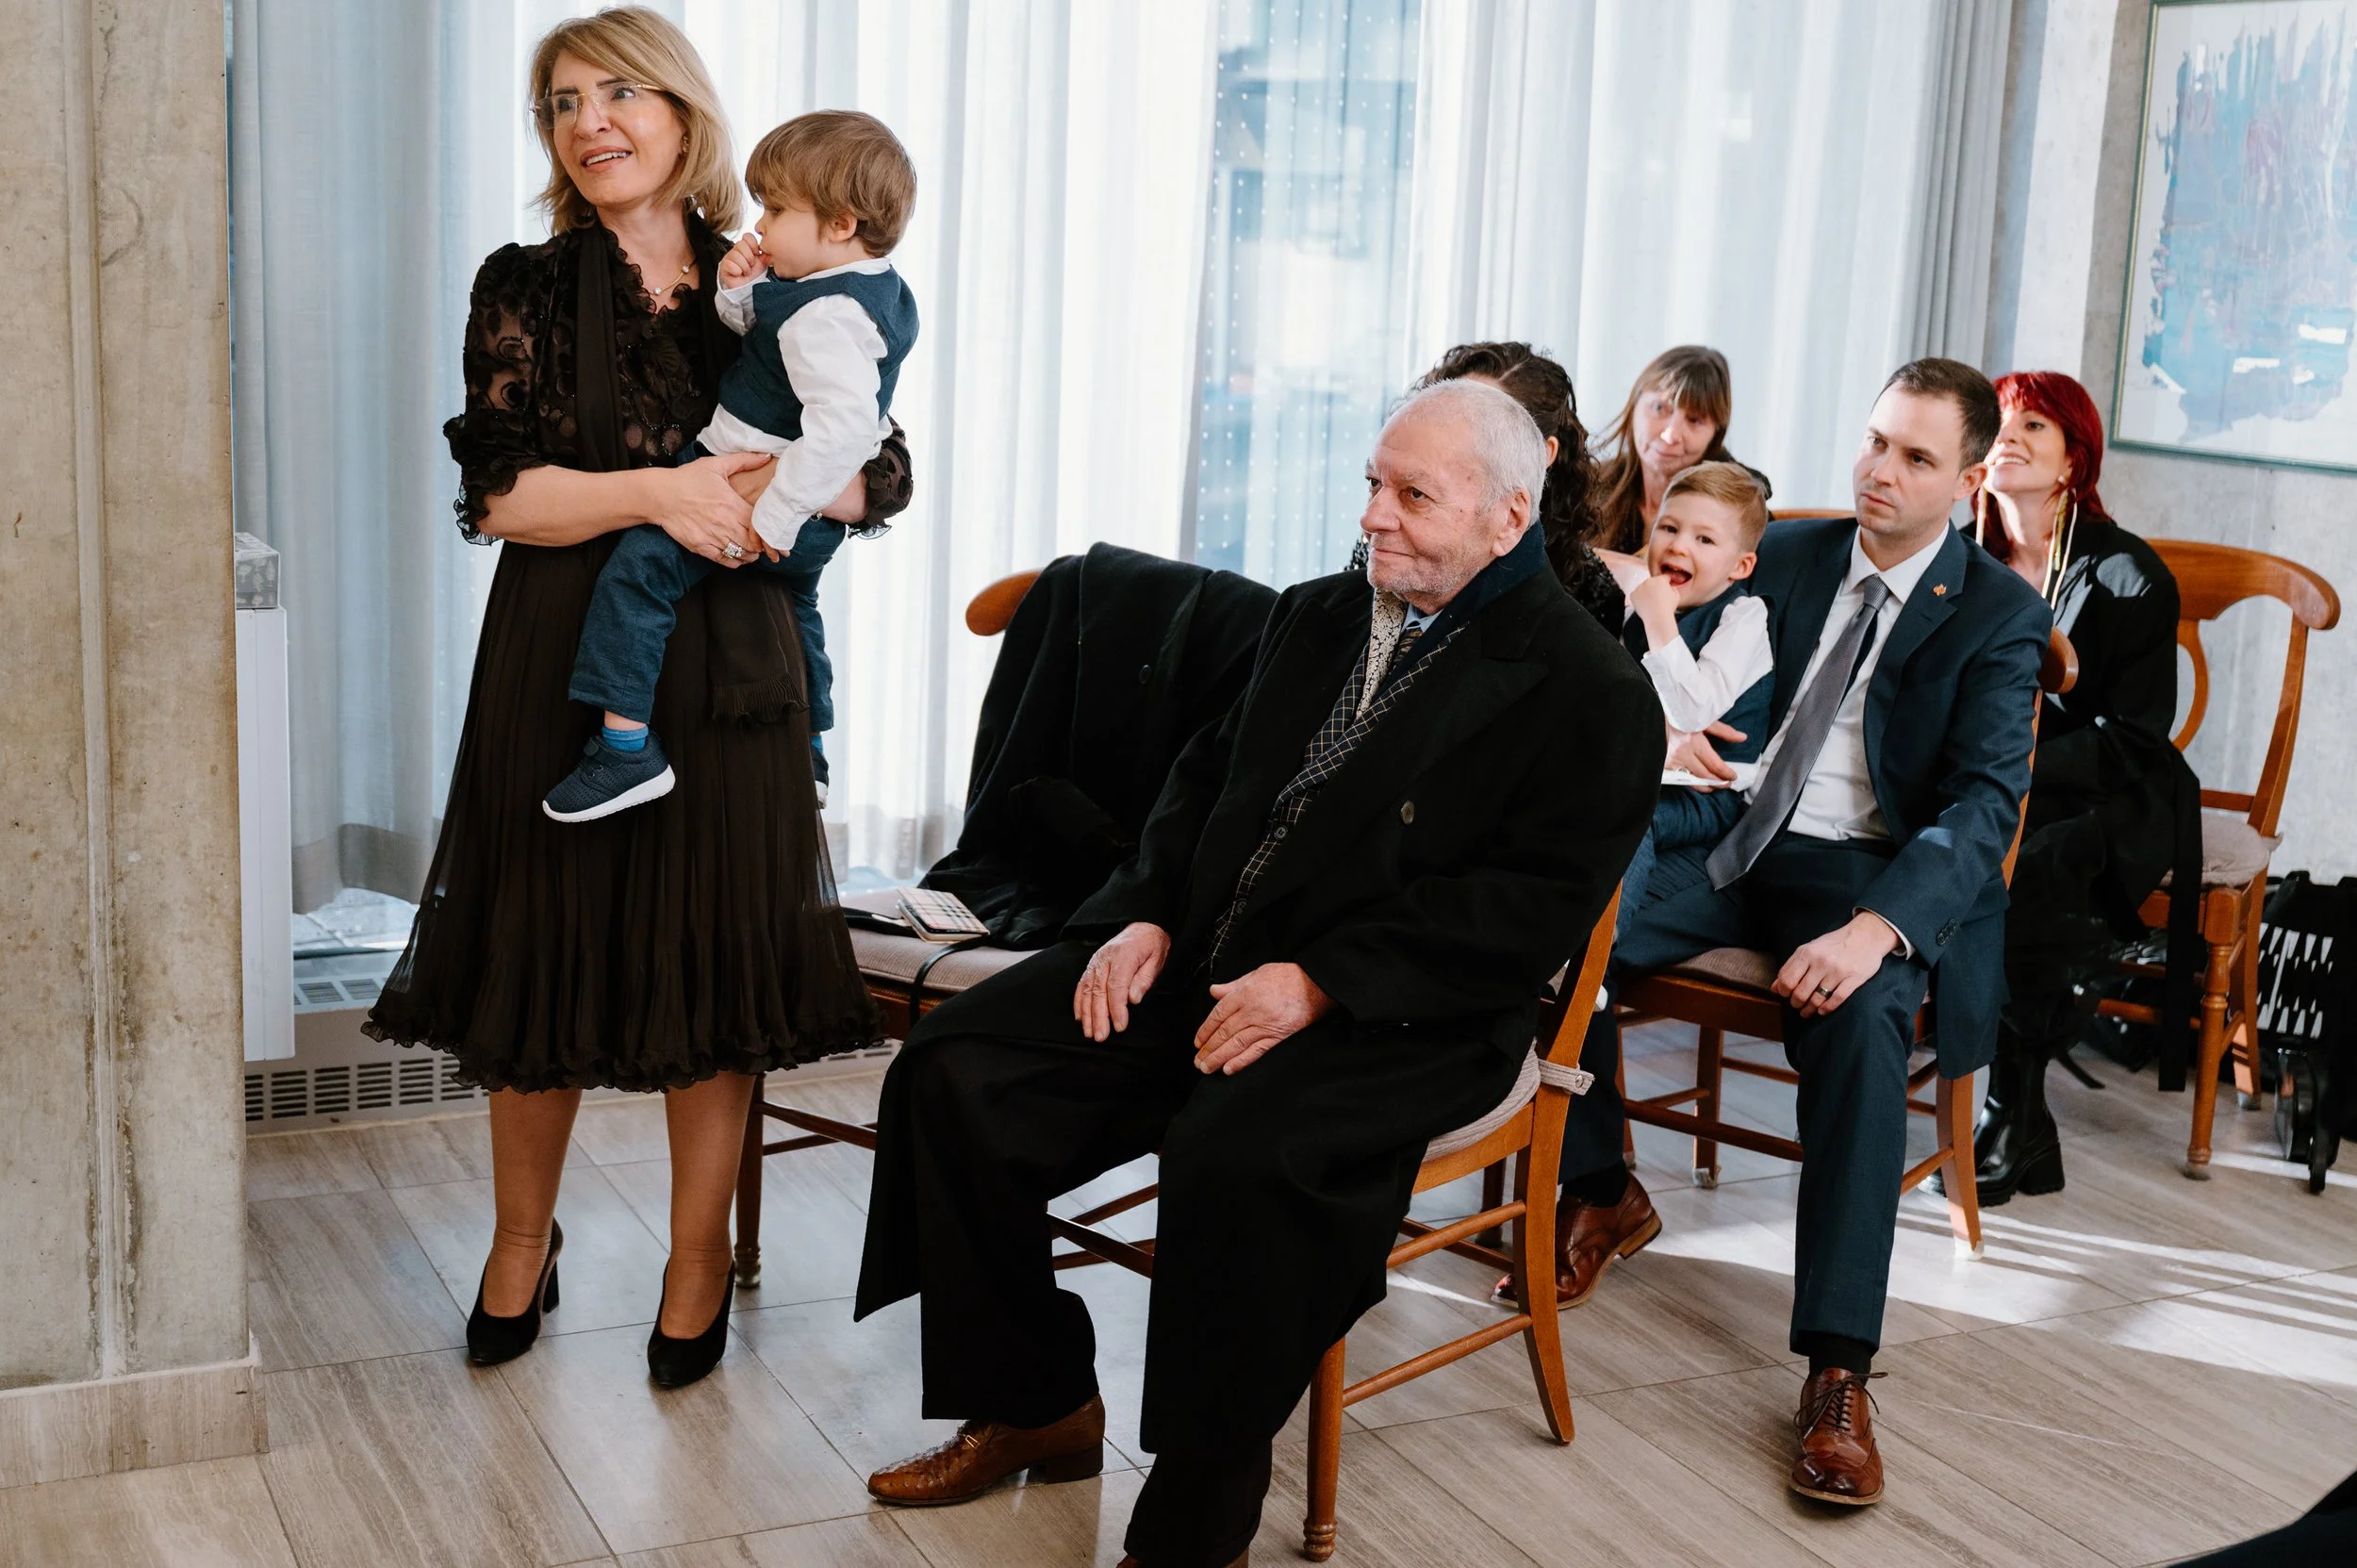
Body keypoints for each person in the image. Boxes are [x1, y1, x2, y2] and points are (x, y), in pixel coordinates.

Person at [852, 380, 1662, 1568]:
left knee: (1238, 1159)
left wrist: (1322, 982)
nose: (1374, 516)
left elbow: (1520, 915)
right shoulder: (1320, 612)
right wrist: (1139, 915)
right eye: (1373, 485)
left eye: (1412, 496)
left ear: (1508, 515)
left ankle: (1194, 1524)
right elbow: (1200, 782)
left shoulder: (1590, 689)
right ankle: (1038, 1401)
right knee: (956, 1068)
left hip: (1396, 1010)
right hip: (1202, 956)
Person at [364, 6, 899, 1390]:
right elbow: (501, 496)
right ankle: (521, 1240)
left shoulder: (778, 259)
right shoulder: (526, 285)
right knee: (537, 949)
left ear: (680, 109)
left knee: (716, 961)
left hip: (733, 670)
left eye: (617, 92)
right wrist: (665, 491)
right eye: (561, 103)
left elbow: (878, 468)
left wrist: (788, 488)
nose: (589, 121)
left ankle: (695, 1256)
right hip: (560, 658)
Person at [1546, 358, 2050, 1508]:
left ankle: (1837, 1368)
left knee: (1864, 1010)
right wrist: (1670, 737)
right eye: (1875, 440)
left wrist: (1879, 927)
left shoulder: (1996, 614)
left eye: (1915, 457)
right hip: (1736, 831)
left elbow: (1982, 807)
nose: (1878, 470)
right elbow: (1690, 682)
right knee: (1567, 914)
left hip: (1868, 869)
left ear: (1968, 479)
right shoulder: (1789, 552)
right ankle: (1601, 1186)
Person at [547, 108, 919, 820]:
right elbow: (771, 343)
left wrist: (777, 507)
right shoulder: (866, 288)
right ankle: (809, 753)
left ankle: (624, 752)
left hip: (761, 493)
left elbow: (844, 430)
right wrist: (743, 290)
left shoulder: (823, 317)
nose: (763, 225)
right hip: (799, 512)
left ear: (840, 223)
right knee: (802, 604)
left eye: (777, 209)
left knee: (639, 572)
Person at [1958, 371, 2187, 1204]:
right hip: (2000, 776)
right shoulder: (1963, 556)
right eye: (2000, 424)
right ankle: (2021, 1127)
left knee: (2035, 865)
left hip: (2110, 790)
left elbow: (2132, 739)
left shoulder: (2129, 574)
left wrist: (2015, 773)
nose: (2008, 437)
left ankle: (2006, 1107)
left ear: (2073, 460)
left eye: (2035, 426)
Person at [1350, 341, 1623, 632]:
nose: (1374, 519)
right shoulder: (1377, 545)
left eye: (1484, 416)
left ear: (1543, 452)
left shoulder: (1583, 600)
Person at [1615, 460, 1775, 931]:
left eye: (1704, 540)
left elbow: (1694, 708)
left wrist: (1660, 621)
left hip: (1712, 796)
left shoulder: (1744, 618)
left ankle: (1592, 959)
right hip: (1645, 773)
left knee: (1632, 815)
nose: (1679, 545)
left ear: (1740, 565)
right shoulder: (1638, 611)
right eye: (1669, 527)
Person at [1590, 344, 1771, 555]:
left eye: (1695, 420)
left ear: (1716, 433)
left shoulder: (1741, 510)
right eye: (1660, 408)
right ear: (1634, 404)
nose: (1671, 435)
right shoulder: (1586, 485)